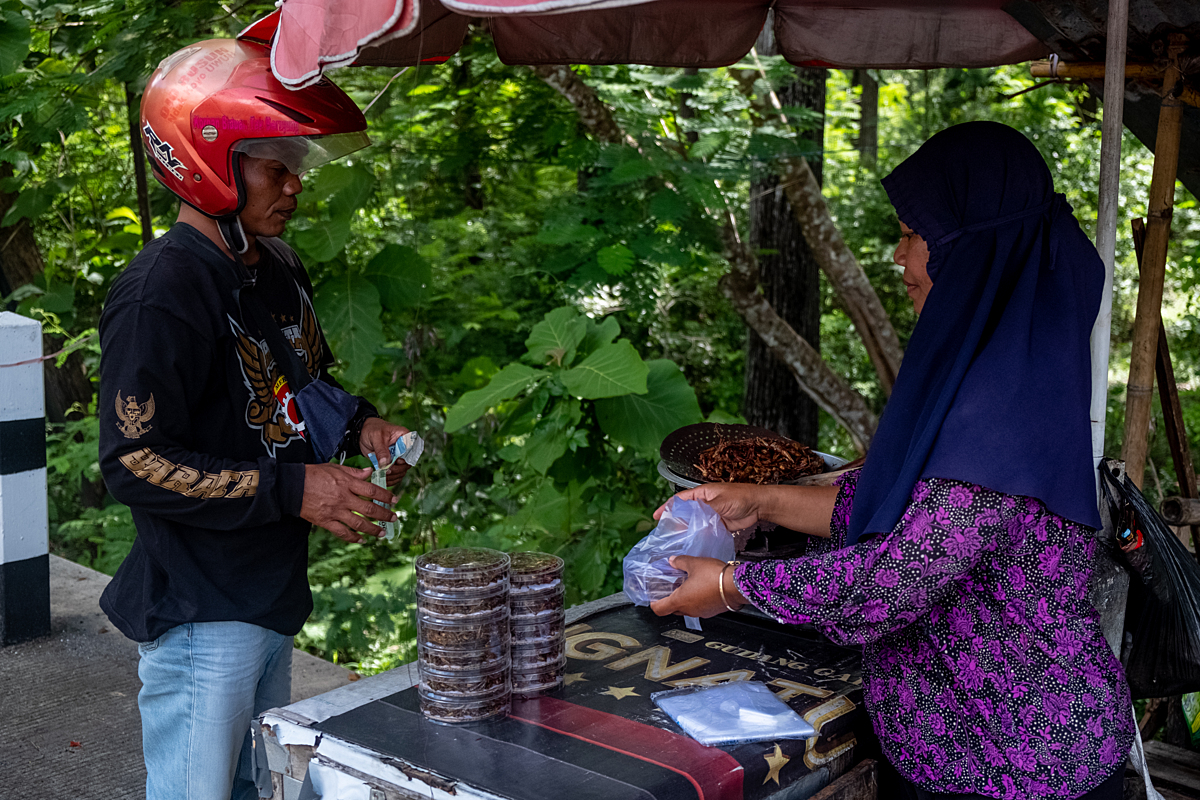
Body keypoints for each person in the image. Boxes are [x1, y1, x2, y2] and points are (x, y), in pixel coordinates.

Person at [652, 122, 1134, 800]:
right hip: (964, 749)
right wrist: (759, 501)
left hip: (1017, 765)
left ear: (972, 249)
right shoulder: (995, 369)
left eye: (913, 234)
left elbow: (893, 580)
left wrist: (732, 585)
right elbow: (910, 519)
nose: (899, 257)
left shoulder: (1003, 406)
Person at [98, 39, 410, 800]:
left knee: (258, 789)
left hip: (269, 593)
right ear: (211, 162)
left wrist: (362, 426)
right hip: (204, 609)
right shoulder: (160, 293)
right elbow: (132, 460)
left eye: (296, 165)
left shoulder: (276, 266)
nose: (296, 186)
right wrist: (294, 491)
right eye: (277, 166)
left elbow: (299, 386)